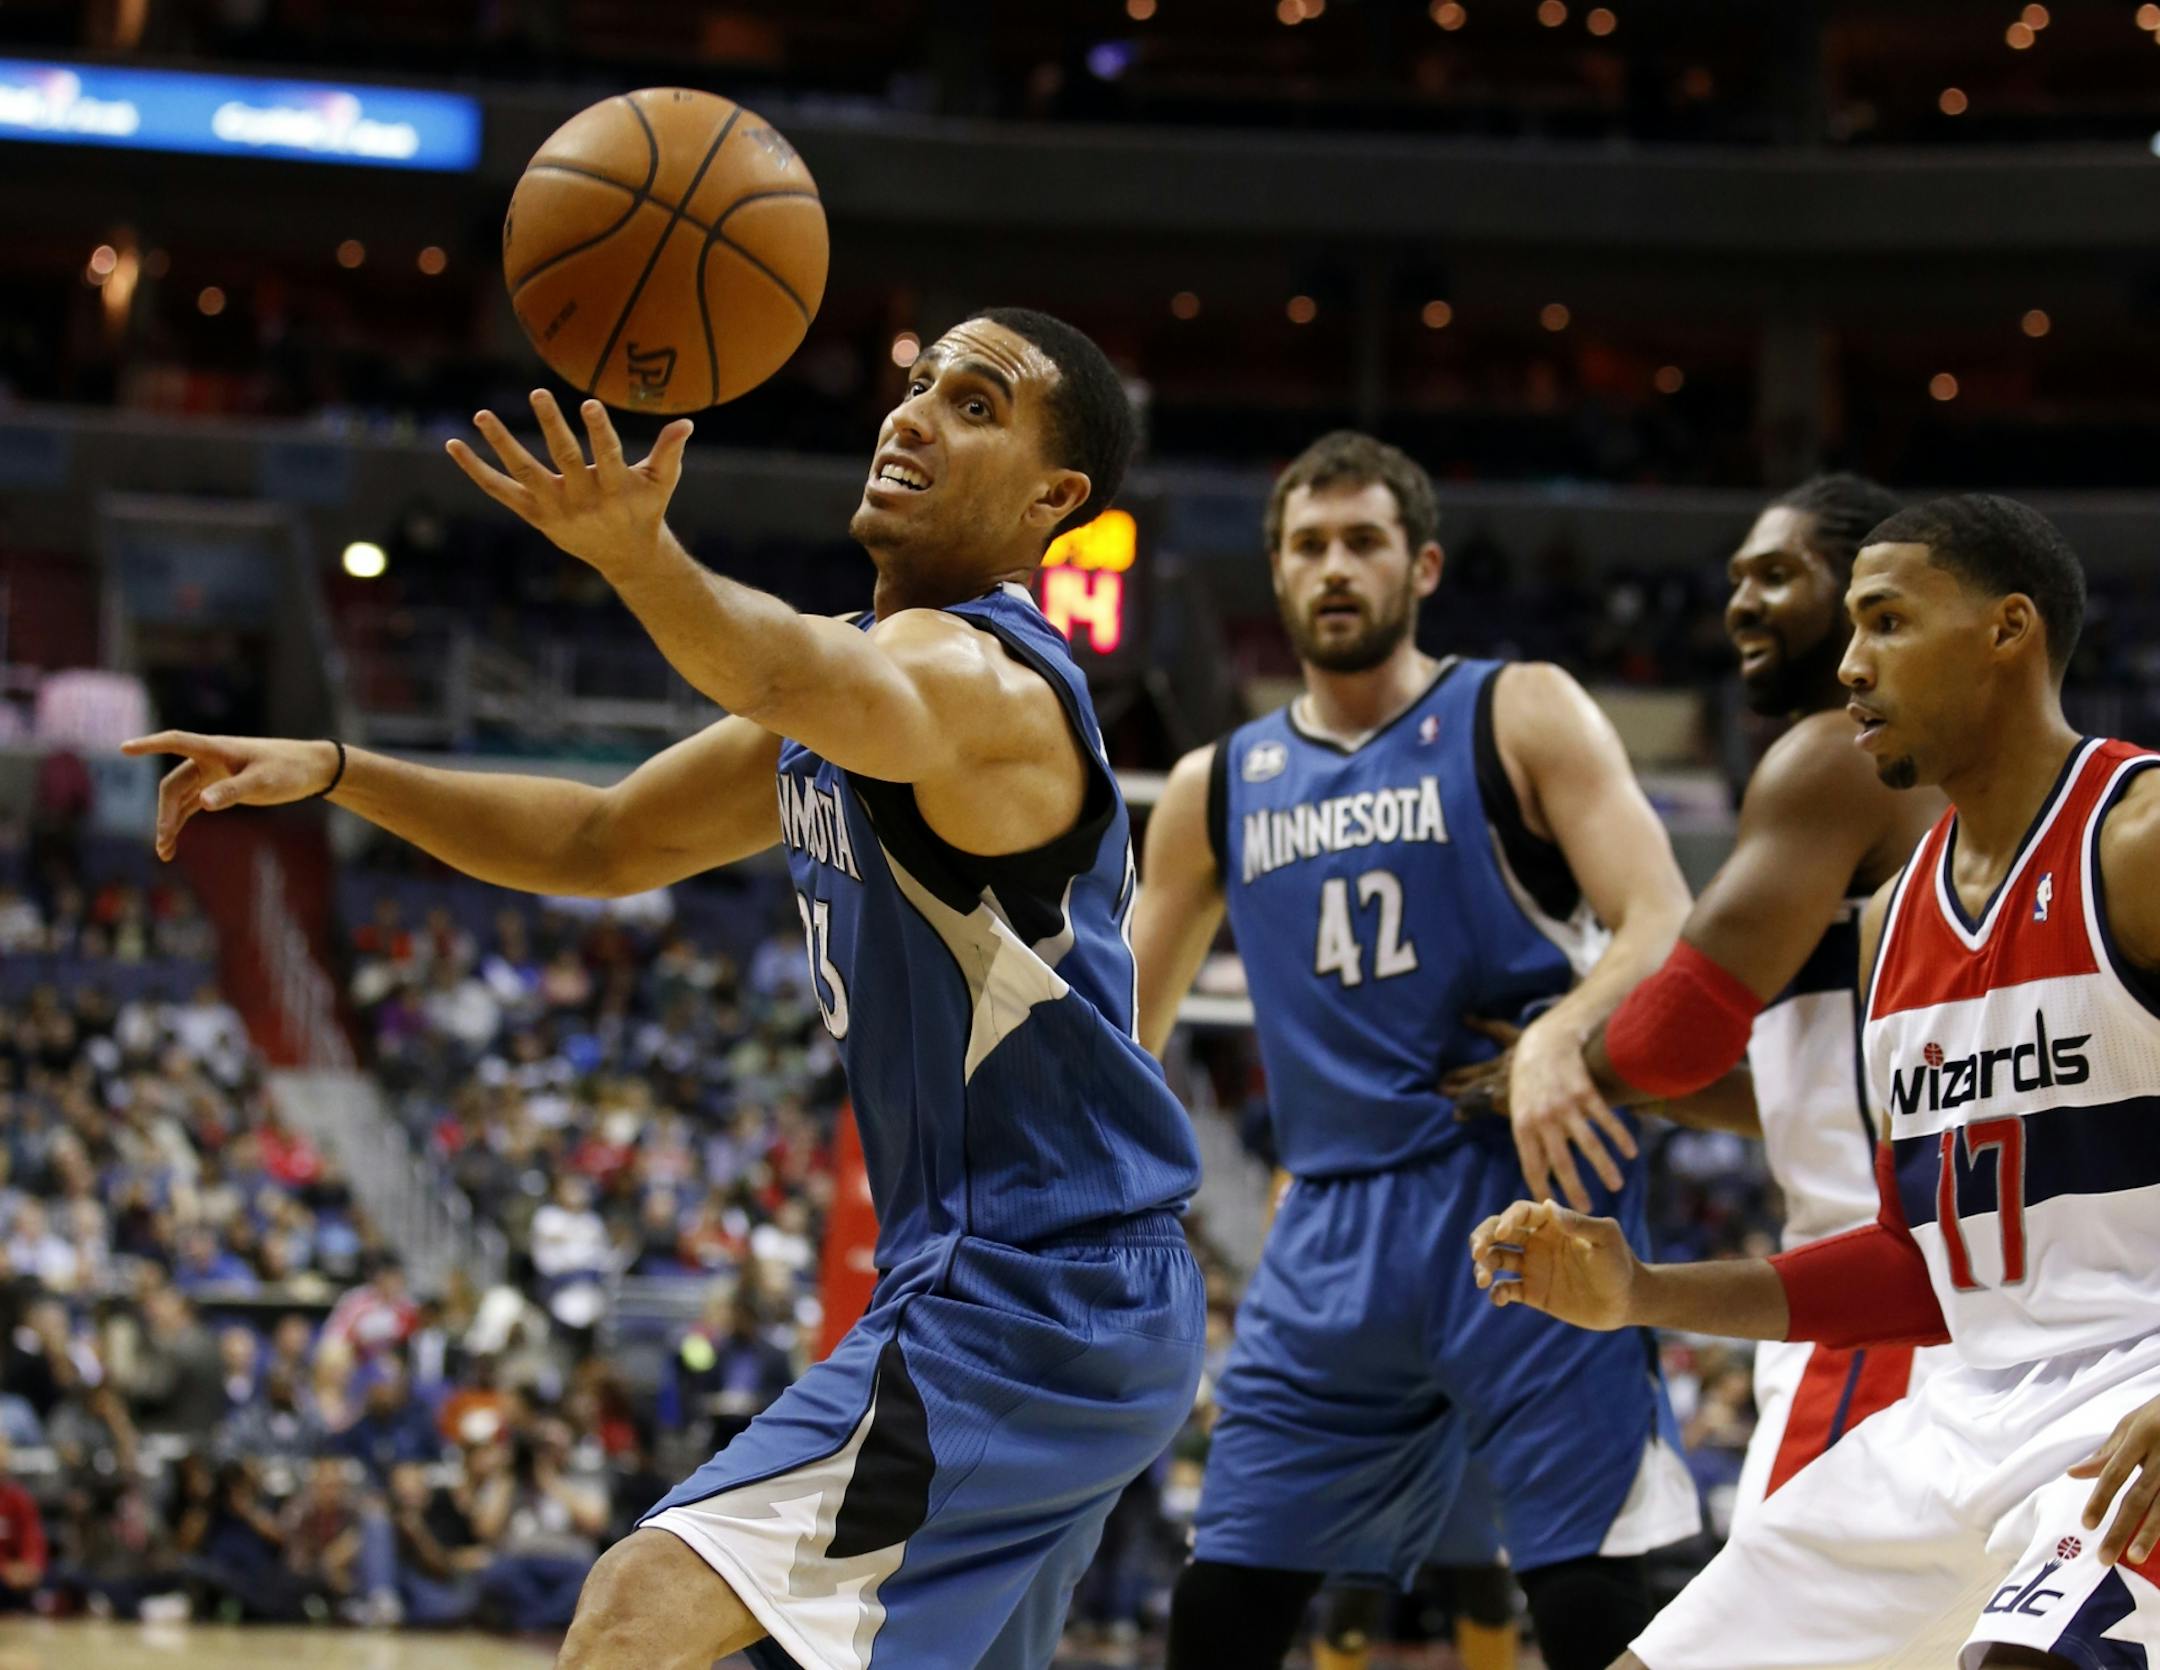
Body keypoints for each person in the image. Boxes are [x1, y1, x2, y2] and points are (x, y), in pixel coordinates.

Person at [126, 305, 1207, 1670]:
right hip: (1025, 1288)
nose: (915, 414)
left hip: (1038, 1292)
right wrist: (345, 769)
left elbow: (782, 663)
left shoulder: (974, 679)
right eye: (919, 383)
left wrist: (645, 559)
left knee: (637, 1610)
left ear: (1058, 498)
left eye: (977, 404)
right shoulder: (853, 710)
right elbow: (601, 839)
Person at [1472, 494, 2160, 1669]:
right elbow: (1913, 1262)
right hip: (1959, 1414)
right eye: (1848, 626)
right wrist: (1641, 1289)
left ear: (2009, 630)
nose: (1849, 664)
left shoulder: (2136, 840)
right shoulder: (1891, 924)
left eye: (1887, 621)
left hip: (2135, 1405)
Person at [1134, 430, 1699, 1670]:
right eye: (1308, 546)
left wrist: (1562, 1026)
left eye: (1364, 541)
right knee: (1219, 1611)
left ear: (1423, 564)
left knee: (1599, 1612)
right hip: (1329, 1231)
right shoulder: (1216, 784)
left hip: (1532, 1202)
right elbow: (1126, 1035)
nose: (1335, 567)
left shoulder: (1517, 707)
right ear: (1275, 577)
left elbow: (1662, 919)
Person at [1453, 474, 1954, 1524]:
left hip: (1879, 1305)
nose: (1739, 603)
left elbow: (1678, 1025)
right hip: (1948, 1294)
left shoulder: (1839, 752)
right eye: (1734, 577)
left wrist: (1555, 1057)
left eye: (1778, 573)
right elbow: (1813, 1092)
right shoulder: (1936, 776)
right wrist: (1631, 1091)